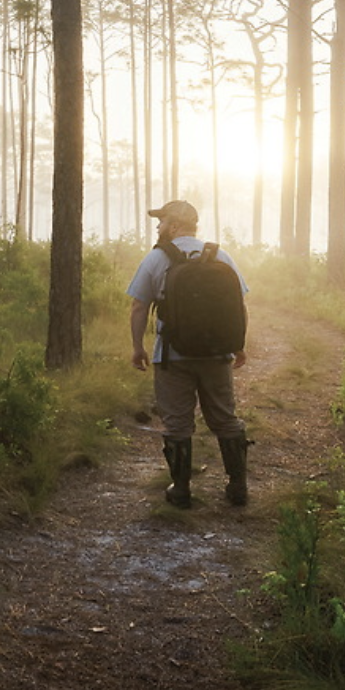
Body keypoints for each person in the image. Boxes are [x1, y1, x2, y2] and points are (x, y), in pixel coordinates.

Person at [125, 200, 251, 508]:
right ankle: (237, 487)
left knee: (178, 423)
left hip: (172, 356)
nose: (158, 226)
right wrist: (238, 344)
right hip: (217, 353)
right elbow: (240, 304)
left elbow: (139, 306)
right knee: (225, 418)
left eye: (162, 220)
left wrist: (138, 347)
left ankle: (180, 490)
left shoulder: (157, 258)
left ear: (176, 225)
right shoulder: (220, 255)